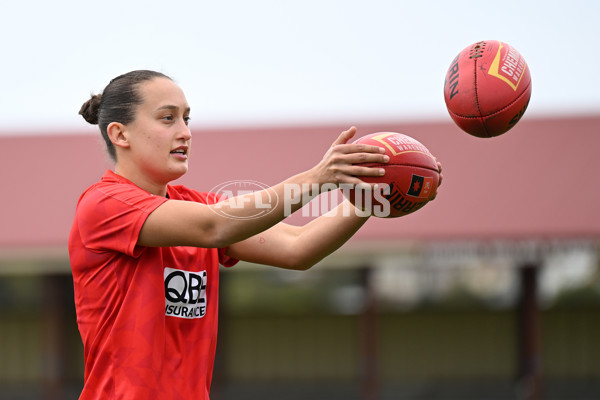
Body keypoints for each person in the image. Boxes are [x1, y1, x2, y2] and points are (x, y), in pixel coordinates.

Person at [69, 69, 441, 400]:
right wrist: (316, 178)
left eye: (187, 118)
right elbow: (215, 226)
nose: (185, 132)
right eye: (167, 119)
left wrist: (372, 194)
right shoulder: (104, 205)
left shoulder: (199, 206)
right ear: (120, 134)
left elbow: (299, 248)